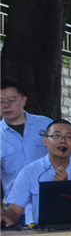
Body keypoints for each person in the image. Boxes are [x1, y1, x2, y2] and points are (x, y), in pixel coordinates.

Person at [1, 79, 53, 224]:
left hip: (51, 206)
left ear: (23, 100)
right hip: (16, 213)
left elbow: (68, 159)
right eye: (1, 102)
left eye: (11, 100)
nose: (6, 106)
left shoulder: (46, 125)